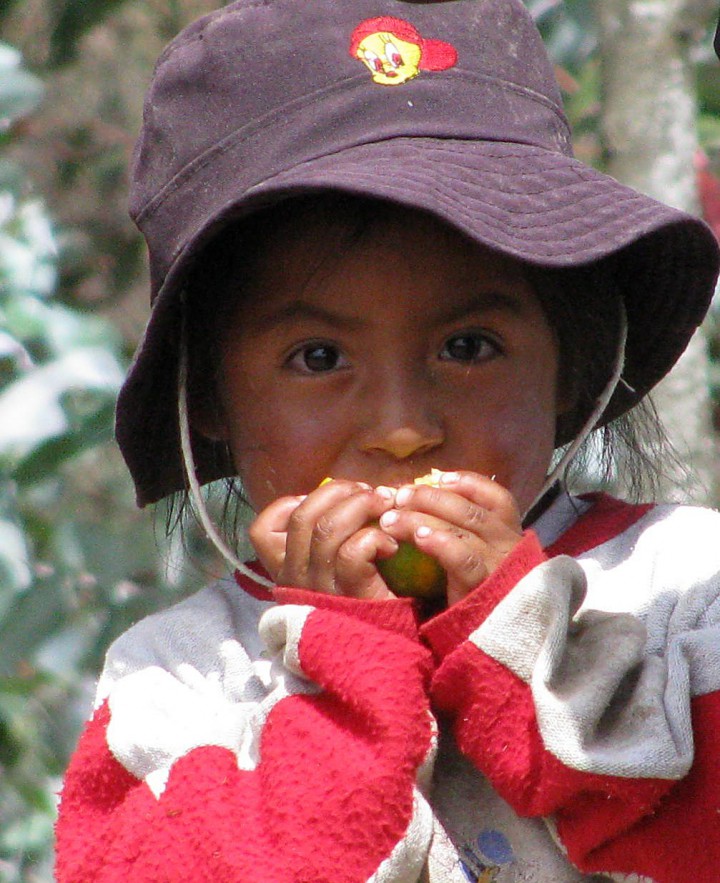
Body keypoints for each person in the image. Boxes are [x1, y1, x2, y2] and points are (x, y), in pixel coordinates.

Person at [54, 1, 720, 881]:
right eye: (318, 357)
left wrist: (517, 641)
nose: (405, 429)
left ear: (572, 362)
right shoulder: (174, 683)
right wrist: (349, 662)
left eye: (468, 347)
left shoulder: (683, 586)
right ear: (209, 396)